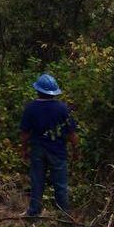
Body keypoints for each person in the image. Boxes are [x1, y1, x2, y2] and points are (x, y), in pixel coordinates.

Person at [20, 73, 79, 218]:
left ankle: (34, 212)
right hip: (58, 152)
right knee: (60, 185)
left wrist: (23, 149)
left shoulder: (31, 108)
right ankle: (64, 215)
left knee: (37, 182)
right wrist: (76, 150)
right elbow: (72, 134)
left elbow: (25, 133)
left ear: (38, 90)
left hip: (38, 150)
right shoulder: (63, 109)